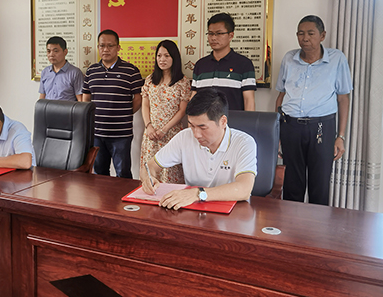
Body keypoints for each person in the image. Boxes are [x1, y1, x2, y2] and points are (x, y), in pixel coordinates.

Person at [275, 15, 352, 205]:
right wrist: (277, 133)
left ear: (322, 35)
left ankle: (318, 224)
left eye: (311, 33)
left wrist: (340, 136)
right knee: (292, 183)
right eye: (300, 33)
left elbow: (343, 98)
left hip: (321, 127)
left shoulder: (336, 59)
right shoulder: (289, 58)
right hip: (290, 126)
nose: (305, 38)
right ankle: (291, 223)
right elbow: (281, 96)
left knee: (320, 184)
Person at [140, 89, 257, 210]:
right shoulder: (184, 137)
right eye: (192, 125)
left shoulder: (244, 143)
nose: (196, 134)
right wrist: (148, 178)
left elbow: (244, 189)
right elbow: (149, 167)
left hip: (234, 212)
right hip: (194, 210)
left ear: (223, 121)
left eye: (202, 127)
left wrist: (198, 194)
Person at [82, 29, 144, 178]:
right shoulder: (91, 71)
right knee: (99, 173)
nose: (106, 49)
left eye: (110, 46)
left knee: (123, 173)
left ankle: (124, 195)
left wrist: (124, 114)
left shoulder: (131, 71)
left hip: (121, 133)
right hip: (97, 133)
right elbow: (86, 99)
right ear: (98, 47)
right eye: (102, 45)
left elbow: (138, 99)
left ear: (118, 47)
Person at [140, 40, 191, 184]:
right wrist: (149, 126)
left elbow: (182, 110)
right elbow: (145, 105)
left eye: (167, 56)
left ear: (174, 58)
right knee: (150, 172)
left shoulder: (182, 82)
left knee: (170, 172)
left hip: (171, 133)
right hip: (151, 134)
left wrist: (164, 129)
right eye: (159, 56)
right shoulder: (150, 79)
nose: (162, 59)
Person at [191, 12, 257, 111]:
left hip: (233, 120)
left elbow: (249, 101)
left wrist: (248, 120)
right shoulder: (200, 65)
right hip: (204, 120)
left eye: (219, 33)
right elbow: (194, 97)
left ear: (231, 35)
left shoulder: (244, 64)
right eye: (210, 33)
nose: (213, 38)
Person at [38, 36, 84, 101]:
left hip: (67, 107)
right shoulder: (45, 72)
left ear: (65, 52)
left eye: (55, 51)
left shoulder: (75, 72)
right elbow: (42, 98)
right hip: (48, 108)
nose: (51, 55)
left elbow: (80, 100)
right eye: (48, 51)